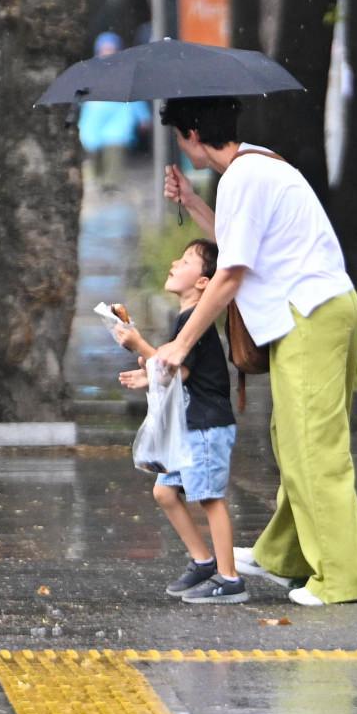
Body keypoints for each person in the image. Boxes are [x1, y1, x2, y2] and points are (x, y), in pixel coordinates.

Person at [153, 95, 357, 606]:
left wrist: (181, 343)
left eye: (177, 134)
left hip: (309, 315)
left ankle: (343, 580)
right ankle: (286, 554)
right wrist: (191, 202)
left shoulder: (243, 177)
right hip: (319, 308)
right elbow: (240, 248)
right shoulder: (253, 165)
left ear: (191, 133)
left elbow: (230, 273)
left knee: (313, 446)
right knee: (292, 437)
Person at [115, 239, 246, 604]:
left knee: (209, 498)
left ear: (204, 282)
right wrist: (146, 373)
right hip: (187, 425)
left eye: (186, 260)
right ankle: (204, 562)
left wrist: (139, 345)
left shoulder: (195, 320)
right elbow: (182, 370)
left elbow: (173, 365)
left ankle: (229, 576)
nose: (174, 262)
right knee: (164, 491)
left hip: (206, 425)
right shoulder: (186, 319)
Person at [78, 32, 150, 192]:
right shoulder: (90, 73)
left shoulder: (126, 75)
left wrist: (143, 117)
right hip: (93, 124)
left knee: (114, 153)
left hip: (118, 123)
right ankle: (100, 180)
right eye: (105, 50)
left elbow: (134, 98)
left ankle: (111, 184)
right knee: (95, 156)